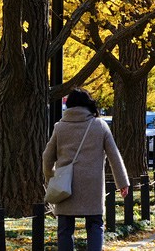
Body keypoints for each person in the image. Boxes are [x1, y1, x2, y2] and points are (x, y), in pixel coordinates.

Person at [43, 88, 129, 251]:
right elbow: (114, 156)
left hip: (66, 184)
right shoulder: (100, 126)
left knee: (65, 228)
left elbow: (47, 157)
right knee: (95, 224)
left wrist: (51, 177)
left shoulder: (59, 127)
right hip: (93, 184)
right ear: (88, 105)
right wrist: (122, 183)